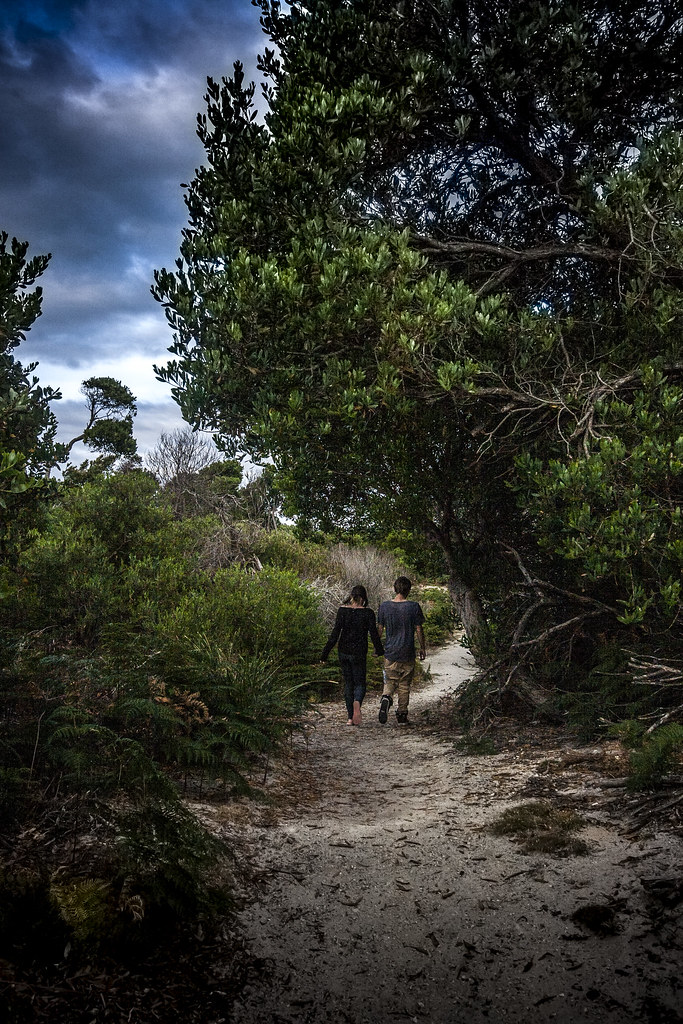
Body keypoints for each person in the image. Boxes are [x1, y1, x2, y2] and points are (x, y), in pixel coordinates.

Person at [321, 585, 384, 726]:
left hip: (343, 652)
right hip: (359, 653)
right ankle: (357, 703)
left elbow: (335, 634)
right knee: (360, 683)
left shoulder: (342, 611)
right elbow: (374, 635)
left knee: (348, 683)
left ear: (351, 597)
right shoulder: (368, 613)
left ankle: (350, 718)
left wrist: (324, 654)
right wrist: (379, 651)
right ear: (363, 599)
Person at [377, 576, 425, 725]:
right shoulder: (413, 606)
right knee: (404, 685)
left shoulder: (384, 606)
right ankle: (402, 714)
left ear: (395, 588)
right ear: (408, 590)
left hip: (391, 651)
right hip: (407, 652)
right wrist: (422, 647)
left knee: (390, 681)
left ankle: (386, 697)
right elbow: (418, 628)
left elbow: (379, 629)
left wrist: (377, 647)